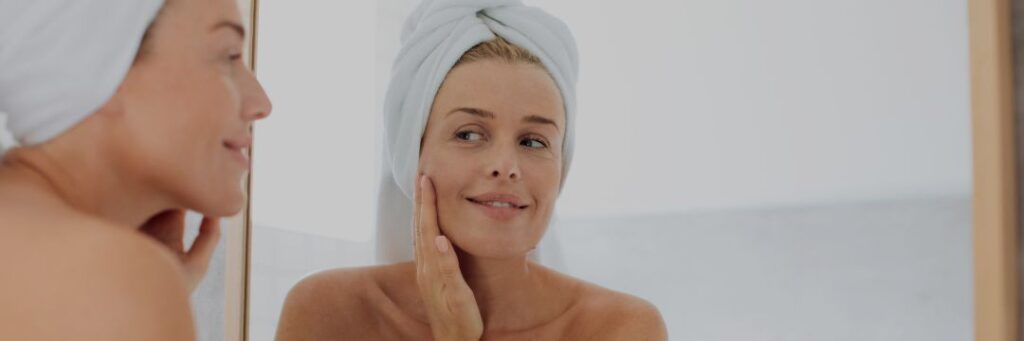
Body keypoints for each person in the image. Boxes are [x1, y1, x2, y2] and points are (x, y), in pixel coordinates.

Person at [276, 1, 667, 339]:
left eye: (533, 141)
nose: (505, 167)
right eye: (468, 134)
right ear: (413, 155)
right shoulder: (327, 315)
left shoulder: (622, 329)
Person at [0, 0, 271, 339]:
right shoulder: (116, 284)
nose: (262, 104)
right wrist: (143, 296)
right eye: (229, 56)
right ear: (96, 64)